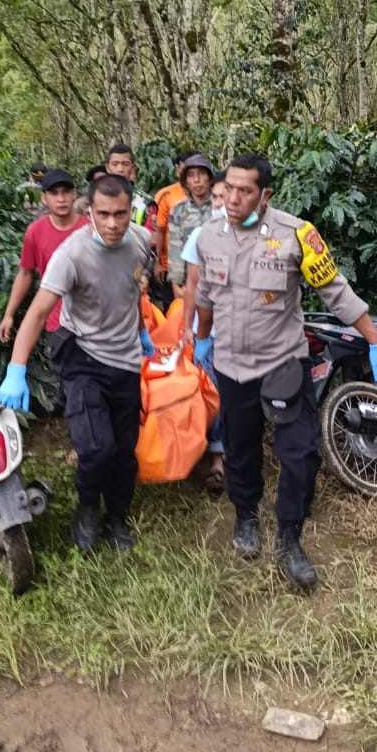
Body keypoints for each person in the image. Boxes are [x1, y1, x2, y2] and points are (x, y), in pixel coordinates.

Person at [193, 153, 377, 590]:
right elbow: (205, 295)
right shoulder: (209, 236)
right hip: (232, 365)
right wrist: (201, 339)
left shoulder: (296, 234)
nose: (233, 199)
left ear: (265, 194)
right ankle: (246, 515)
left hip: (283, 362)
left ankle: (290, 534)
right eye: (229, 188)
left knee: (301, 453)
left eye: (245, 191)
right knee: (240, 449)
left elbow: (335, 291)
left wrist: (374, 339)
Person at [0, 173, 154, 554]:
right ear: (90, 211)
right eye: (104, 214)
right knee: (96, 448)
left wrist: (141, 330)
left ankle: (116, 516)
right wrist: (16, 369)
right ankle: (87, 508)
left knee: (124, 451)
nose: (112, 224)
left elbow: (131, 289)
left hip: (126, 360)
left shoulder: (142, 241)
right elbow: (38, 313)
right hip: (83, 355)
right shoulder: (71, 255)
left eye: (120, 214)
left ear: (131, 211)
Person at [0, 169, 88, 347]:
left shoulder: (90, 230)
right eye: (54, 193)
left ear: (74, 194)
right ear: (44, 198)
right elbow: (25, 274)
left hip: (90, 322)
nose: (61, 199)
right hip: (56, 323)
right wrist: (9, 314)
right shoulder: (35, 231)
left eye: (66, 192)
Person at [180, 170, 228, 494]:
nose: (221, 204)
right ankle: (216, 457)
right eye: (217, 198)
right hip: (206, 332)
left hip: (241, 332)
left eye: (226, 197)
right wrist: (187, 326)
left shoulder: (255, 237)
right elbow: (192, 284)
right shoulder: (200, 235)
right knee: (212, 393)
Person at [166, 153, 215, 299]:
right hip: (191, 280)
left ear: (210, 178)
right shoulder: (179, 209)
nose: (196, 180)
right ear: (186, 182)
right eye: (191, 175)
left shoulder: (222, 204)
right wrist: (176, 283)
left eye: (201, 174)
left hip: (219, 277)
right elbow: (175, 246)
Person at [152, 150, 195, 304]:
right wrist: (157, 262)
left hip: (198, 267)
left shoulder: (210, 196)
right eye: (184, 170)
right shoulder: (165, 195)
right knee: (172, 309)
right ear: (178, 171)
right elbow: (159, 230)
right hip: (170, 265)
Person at [106, 144, 149, 225]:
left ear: (133, 168)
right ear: (107, 168)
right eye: (115, 164)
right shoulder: (96, 198)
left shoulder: (145, 202)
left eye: (125, 164)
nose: (120, 169)